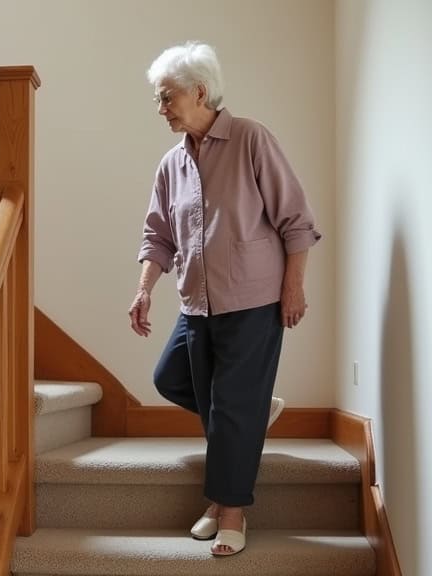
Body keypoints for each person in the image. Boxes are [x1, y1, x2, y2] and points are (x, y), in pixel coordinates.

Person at [128, 41, 321, 557]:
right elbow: (158, 237)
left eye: (166, 97)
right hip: (196, 301)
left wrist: (294, 287)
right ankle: (254, 417)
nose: (161, 107)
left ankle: (230, 511)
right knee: (170, 378)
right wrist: (145, 288)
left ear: (199, 91)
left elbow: (295, 220)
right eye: (158, 99)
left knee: (232, 409)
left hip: (254, 297)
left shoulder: (251, 138)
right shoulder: (171, 164)